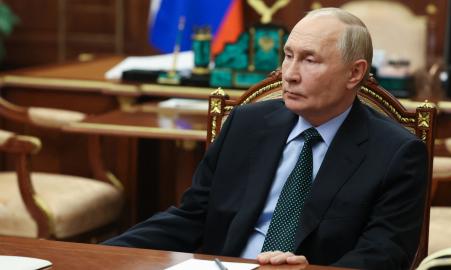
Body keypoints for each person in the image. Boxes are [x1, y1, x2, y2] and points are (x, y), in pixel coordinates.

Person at [104, 7, 427, 270]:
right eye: (288, 55)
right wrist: (100, 255)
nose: (289, 73)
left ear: (354, 73)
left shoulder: (396, 152)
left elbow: (384, 255)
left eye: (309, 60)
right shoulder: (246, 124)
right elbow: (192, 216)